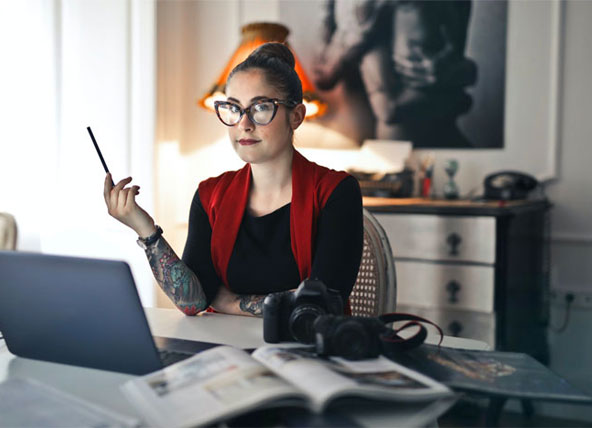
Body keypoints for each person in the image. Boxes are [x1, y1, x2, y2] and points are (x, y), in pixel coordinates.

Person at [103, 43, 363, 317]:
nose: (244, 124)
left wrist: (229, 303)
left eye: (261, 107)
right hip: (225, 350)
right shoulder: (210, 195)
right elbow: (193, 301)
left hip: (306, 351)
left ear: (296, 116)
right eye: (234, 108)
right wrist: (144, 228)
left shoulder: (337, 191)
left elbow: (319, 304)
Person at [313, 0, 477, 148]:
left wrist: (465, 72)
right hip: (389, 138)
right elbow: (324, 75)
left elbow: (454, 58)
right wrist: (460, 98)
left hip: (437, 136)